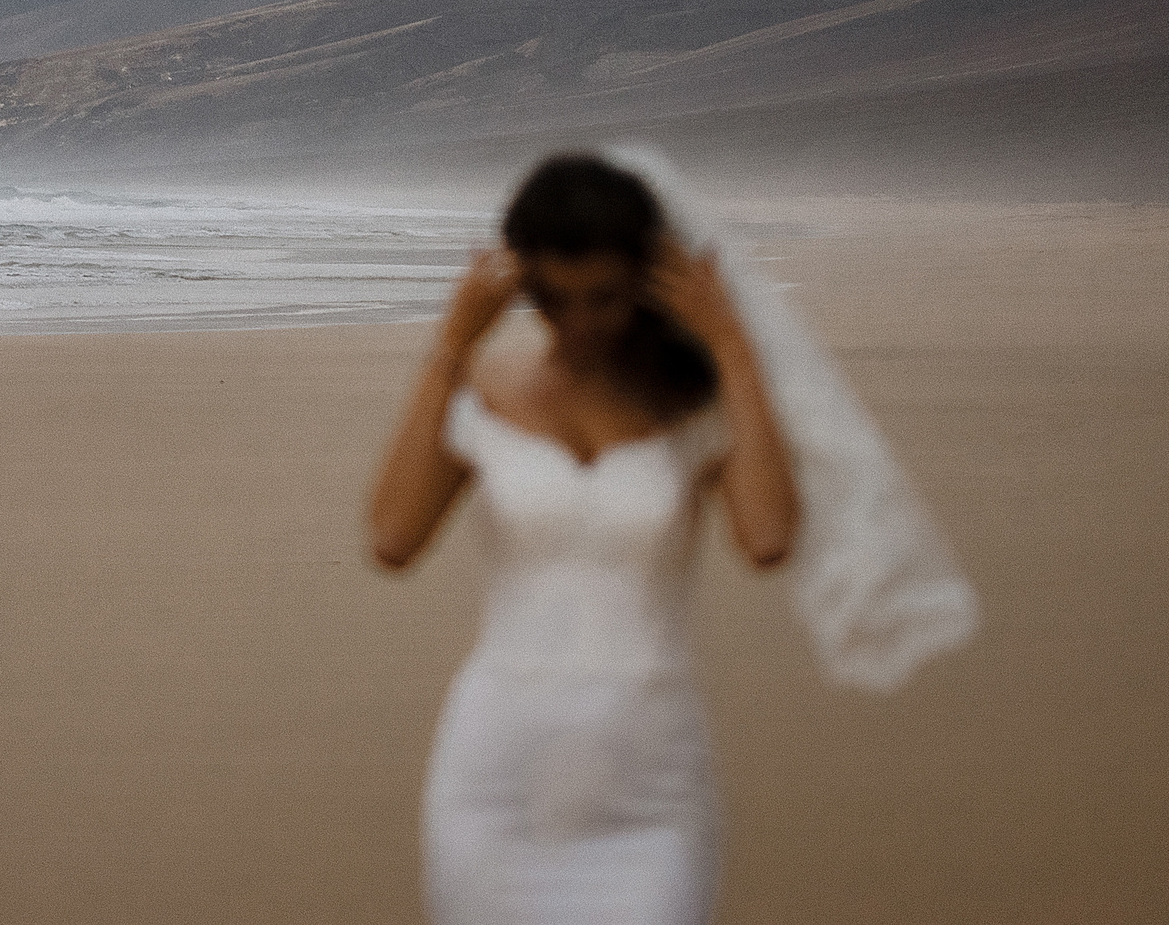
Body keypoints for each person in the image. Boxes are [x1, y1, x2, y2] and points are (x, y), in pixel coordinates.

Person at [366, 149, 973, 925]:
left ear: (650, 282)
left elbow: (768, 538)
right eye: (553, 298)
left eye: (604, 298)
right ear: (522, 283)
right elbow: (392, 538)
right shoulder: (486, 396)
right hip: (494, 778)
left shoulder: (693, 409)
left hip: (649, 780)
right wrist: (452, 345)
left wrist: (731, 346)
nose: (579, 322)